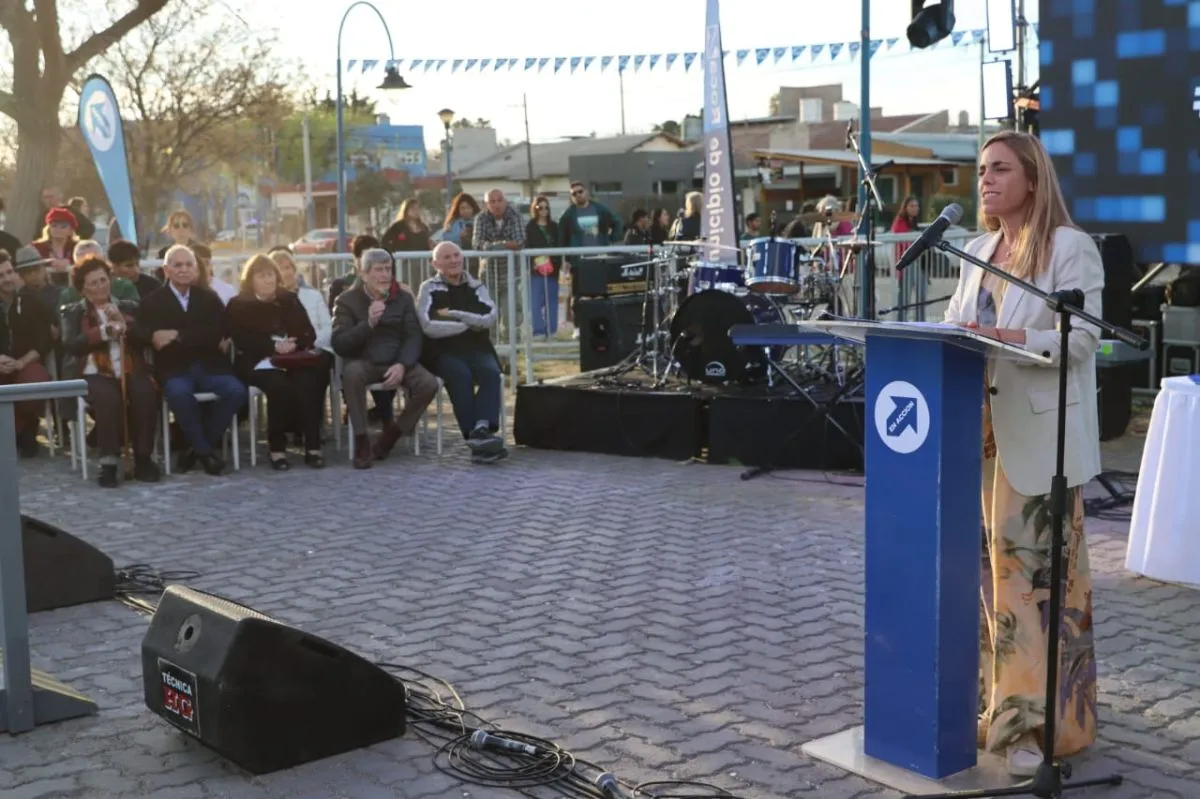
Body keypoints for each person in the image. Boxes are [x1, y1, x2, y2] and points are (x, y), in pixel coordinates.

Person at [942, 130, 1102, 777]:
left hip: (1039, 441)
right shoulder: (978, 250)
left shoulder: (1071, 247)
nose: (986, 180)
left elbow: (1085, 340)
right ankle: (996, 708)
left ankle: (1034, 729)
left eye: (1000, 169)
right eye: (981, 170)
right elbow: (957, 327)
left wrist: (1009, 335)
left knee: (1034, 587)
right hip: (976, 437)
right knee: (988, 584)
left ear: (1032, 179)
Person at [136, 244, 247, 475]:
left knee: (236, 391)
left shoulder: (209, 298)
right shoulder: (152, 301)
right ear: (166, 270)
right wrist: (193, 336)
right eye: (177, 265)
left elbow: (215, 332)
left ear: (196, 269)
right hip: (174, 367)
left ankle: (196, 449)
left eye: (189, 265)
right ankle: (205, 453)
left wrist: (178, 335)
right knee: (178, 394)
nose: (184, 269)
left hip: (210, 365)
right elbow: (152, 336)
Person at [331, 247, 439, 469]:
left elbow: (413, 336)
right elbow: (340, 343)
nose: (384, 275)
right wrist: (367, 324)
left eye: (388, 269)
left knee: (428, 383)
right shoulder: (347, 300)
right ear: (363, 274)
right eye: (378, 270)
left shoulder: (403, 298)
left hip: (398, 360)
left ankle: (392, 435)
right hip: (365, 360)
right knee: (351, 374)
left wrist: (402, 364)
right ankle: (362, 440)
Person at [60, 256, 159, 487]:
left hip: (128, 366)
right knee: (108, 398)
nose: (100, 286)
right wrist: (103, 332)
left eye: (103, 280)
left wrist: (125, 323)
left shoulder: (128, 307)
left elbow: (145, 338)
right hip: (93, 370)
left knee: (145, 392)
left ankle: (143, 458)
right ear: (82, 288)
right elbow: (71, 344)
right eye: (93, 283)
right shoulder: (73, 312)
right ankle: (109, 462)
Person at [226, 255, 325, 470]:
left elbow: (308, 331)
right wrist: (272, 347)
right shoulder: (238, 305)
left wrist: (294, 343)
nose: (269, 280)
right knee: (278, 386)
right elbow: (241, 339)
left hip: (291, 357)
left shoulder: (289, 299)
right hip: (257, 360)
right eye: (262, 276)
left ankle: (313, 447)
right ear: (251, 279)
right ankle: (277, 449)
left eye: (271, 275)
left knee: (309, 382)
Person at [415, 242, 506, 464]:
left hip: (478, 347)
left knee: (491, 372)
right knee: (460, 375)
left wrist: (453, 314)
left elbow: (490, 318)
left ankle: (481, 430)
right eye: (447, 257)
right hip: (443, 350)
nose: (454, 260)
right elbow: (428, 325)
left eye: (457, 255)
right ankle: (475, 437)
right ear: (436, 263)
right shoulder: (428, 288)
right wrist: (467, 324)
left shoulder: (476, 286)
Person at [0, 248, 54, 457]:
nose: (7, 278)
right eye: (1, 275)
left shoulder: (31, 302)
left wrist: (22, 362)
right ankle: (15, 432)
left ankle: (23, 427)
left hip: (27, 360)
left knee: (35, 380)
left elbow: (43, 340)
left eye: (9, 272)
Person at [524, 196, 562, 338]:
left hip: (553, 269)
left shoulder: (554, 226)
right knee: (535, 301)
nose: (544, 210)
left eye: (546, 207)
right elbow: (527, 246)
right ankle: (538, 330)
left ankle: (551, 330)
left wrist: (558, 263)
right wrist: (533, 262)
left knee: (551, 300)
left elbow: (559, 244)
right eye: (540, 207)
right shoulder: (530, 227)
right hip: (536, 270)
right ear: (535, 209)